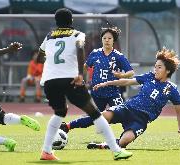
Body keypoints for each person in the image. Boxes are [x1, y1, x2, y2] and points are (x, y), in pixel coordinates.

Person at [37, 8, 132, 161]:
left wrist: (53, 64)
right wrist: (80, 74)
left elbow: (38, 57)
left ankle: (46, 151)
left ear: (56, 22)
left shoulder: (49, 36)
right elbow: (80, 48)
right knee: (95, 113)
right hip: (70, 79)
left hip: (49, 80)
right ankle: (116, 151)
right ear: (71, 21)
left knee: (59, 112)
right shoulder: (77, 34)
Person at [60, 47, 180, 149]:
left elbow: (178, 110)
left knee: (125, 141)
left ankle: (106, 145)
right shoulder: (149, 77)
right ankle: (68, 126)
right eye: (155, 67)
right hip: (127, 108)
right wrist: (107, 83)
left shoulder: (172, 89)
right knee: (100, 117)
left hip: (141, 120)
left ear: (167, 70)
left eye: (159, 67)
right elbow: (127, 82)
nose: (155, 69)